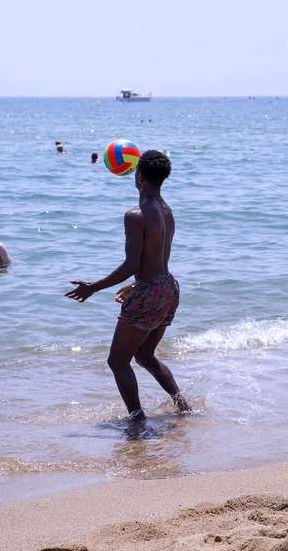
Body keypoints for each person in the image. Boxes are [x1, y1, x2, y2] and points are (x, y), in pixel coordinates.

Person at [66, 150, 190, 420]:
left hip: (151, 290)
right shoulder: (167, 212)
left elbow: (132, 263)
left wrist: (93, 287)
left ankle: (137, 419)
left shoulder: (136, 215)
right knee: (145, 356)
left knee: (117, 360)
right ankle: (183, 406)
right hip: (168, 288)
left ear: (139, 176)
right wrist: (138, 285)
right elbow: (154, 261)